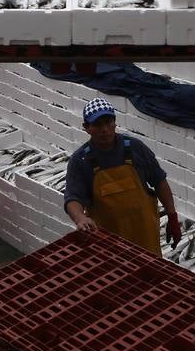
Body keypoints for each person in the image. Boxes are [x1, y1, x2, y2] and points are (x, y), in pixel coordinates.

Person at [63, 98, 181, 256]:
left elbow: (159, 181)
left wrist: (172, 216)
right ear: (87, 128)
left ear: (115, 122)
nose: (105, 129)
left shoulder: (135, 148)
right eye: (98, 125)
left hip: (144, 237)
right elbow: (73, 198)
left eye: (108, 122)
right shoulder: (80, 160)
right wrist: (79, 218)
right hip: (108, 245)